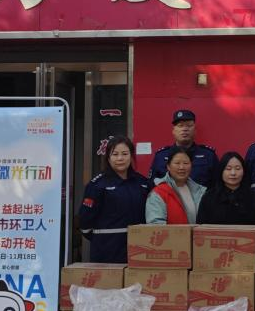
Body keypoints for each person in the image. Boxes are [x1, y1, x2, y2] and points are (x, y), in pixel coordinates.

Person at [78, 135, 152, 263]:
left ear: (131, 156)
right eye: (115, 154)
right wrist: (103, 239)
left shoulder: (142, 183)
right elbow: (85, 223)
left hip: (138, 252)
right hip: (106, 254)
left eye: (125, 154)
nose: (120, 158)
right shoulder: (97, 185)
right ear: (108, 157)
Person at [150, 109, 218, 186]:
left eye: (189, 125)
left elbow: (217, 185)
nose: (185, 129)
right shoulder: (161, 156)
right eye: (180, 125)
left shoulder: (208, 155)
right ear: (173, 131)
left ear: (195, 130)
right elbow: (152, 185)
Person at [197, 151, 255, 225]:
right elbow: (200, 226)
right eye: (228, 169)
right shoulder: (209, 197)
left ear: (244, 171)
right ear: (221, 171)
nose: (233, 173)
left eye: (237, 168)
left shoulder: (254, 198)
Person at [146, 148, 206, 224]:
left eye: (186, 163)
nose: (181, 167)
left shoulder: (200, 191)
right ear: (168, 166)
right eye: (177, 163)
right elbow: (155, 225)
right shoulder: (158, 193)